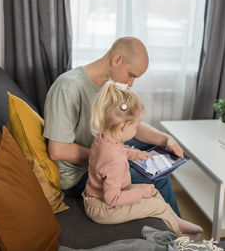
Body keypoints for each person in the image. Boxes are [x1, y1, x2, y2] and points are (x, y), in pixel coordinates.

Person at [43, 36, 183, 215]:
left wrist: (166, 139)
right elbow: (57, 150)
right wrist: (114, 156)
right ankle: (180, 239)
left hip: (105, 150)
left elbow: (131, 125)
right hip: (79, 176)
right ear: (117, 60)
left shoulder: (109, 88)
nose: (131, 83)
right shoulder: (68, 88)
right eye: (131, 75)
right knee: (159, 178)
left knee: (154, 151)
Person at [83, 80, 202, 240]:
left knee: (154, 190)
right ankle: (179, 237)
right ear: (125, 126)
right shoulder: (115, 162)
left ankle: (177, 221)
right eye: (136, 125)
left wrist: (136, 154)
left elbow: (117, 151)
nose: (137, 128)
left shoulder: (104, 138)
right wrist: (140, 193)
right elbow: (112, 199)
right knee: (156, 206)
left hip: (97, 198)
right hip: (104, 209)